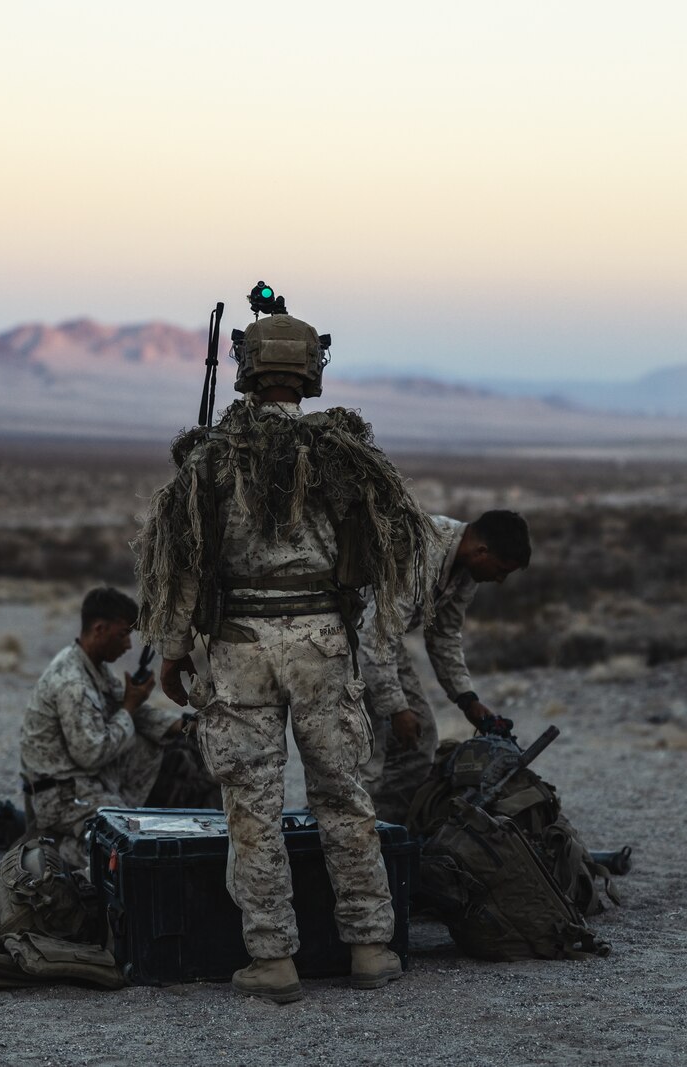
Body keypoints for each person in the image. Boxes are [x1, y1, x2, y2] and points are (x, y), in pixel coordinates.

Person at [134, 298, 438, 1003]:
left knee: (252, 804)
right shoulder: (344, 454)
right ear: (309, 372)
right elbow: (390, 555)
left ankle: (272, 959)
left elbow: (181, 564)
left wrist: (173, 652)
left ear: (245, 369)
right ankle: (369, 946)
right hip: (323, 643)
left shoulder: (212, 460)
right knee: (344, 794)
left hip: (240, 645)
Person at [360, 509, 531, 824]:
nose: (500, 580)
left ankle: (390, 833)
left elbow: (444, 635)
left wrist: (467, 699)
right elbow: (374, 636)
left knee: (419, 741)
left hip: (381, 642)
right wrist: (396, 709)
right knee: (368, 750)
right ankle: (345, 837)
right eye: (501, 570)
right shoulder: (424, 551)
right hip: (345, 638)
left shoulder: (465, 569)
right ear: (482, 551)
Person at [20, 587, 184, 870]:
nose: (129, 646)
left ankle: (96, 827)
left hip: (82, 780)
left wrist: (180, 725)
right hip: (61, 795)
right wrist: (130, 707)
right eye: (123, 635)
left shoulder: (89, 665)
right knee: (126, 846)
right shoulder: (73, 683)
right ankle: (60, 848)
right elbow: (91, 752)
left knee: (161, 746)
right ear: (99, 629)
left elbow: (126, 707)